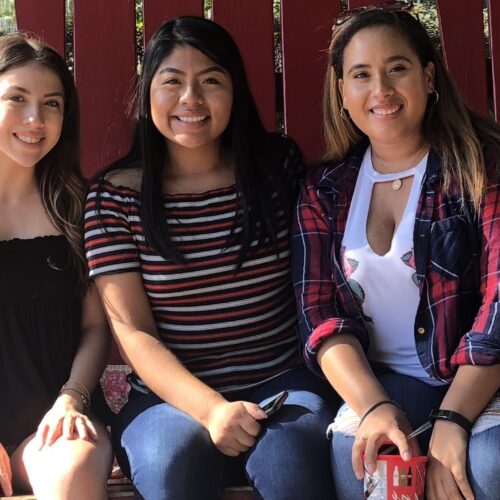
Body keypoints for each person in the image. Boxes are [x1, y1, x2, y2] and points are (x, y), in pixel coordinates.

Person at [84, 15, 337, 500]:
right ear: (147, 93)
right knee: (169, 465)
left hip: (282, 382)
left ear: (236, 91)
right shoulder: (113, 198)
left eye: (211, 81)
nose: (191, 99)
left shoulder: (276, 169)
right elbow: (133, 332)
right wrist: (210, 409)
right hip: (168, 397)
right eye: (172, 81)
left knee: (293, 469)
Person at [292, 4, 500, 500]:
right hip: (383, 381)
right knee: (365, 462)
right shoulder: (325, 189)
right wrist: (374, 407)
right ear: (342, 92)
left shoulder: (481, 166)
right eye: (361, 75)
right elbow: (318, 314)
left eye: (397, 69)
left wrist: (452, 417)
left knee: (488, 466)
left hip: (480, 379)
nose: (380, 90)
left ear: (428, 77)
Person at [0, 33, 112, 499]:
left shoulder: (79, 209)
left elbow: (95, 329)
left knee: (71, 476)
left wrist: (72, 397)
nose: (34, 119)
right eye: (17, 98)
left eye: (51, 103)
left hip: (54, 418)